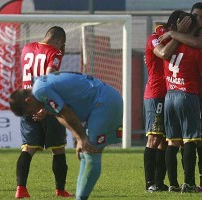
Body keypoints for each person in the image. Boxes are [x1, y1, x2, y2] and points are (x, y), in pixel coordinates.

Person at [9, 72, 123, 200]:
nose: (34, 113)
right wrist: (79, 138)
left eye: (31, 111)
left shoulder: (41, 90)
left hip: (104, 103)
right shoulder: (39, 88)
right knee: (86, 153)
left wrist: (82, 138)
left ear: (28, 100)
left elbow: (66, 112)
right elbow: (59, 115)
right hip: (101, 103)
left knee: (92, 152)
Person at [158, 2, 202, 192]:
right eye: (194, 16)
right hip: (189, 94)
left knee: (196, 140)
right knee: (190, 140)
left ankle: (200, 184)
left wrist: (172, 33)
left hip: (188, 95)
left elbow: (198, 42)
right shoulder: (191, 46)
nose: (198, 20)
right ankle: (188, 183)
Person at [15, 26, 74, 198]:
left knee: (28, 148)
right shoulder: (54, 53)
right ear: (58, 41)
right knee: (58, 149)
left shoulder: (26, 48)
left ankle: (21, 189)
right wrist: (46, 107)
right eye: (61, 44)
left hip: (26, 102)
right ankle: (60, 190)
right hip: (44, 102)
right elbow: (47, 78)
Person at [143, 10, 190, 193]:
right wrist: (177, 35)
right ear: (173, 26)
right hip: (156, 94)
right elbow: (162, 53)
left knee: (164, 140)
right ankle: (149, 184)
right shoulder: (154, 38)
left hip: (171, 94)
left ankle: (159, 182)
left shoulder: (172, 38)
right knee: (154, 138)